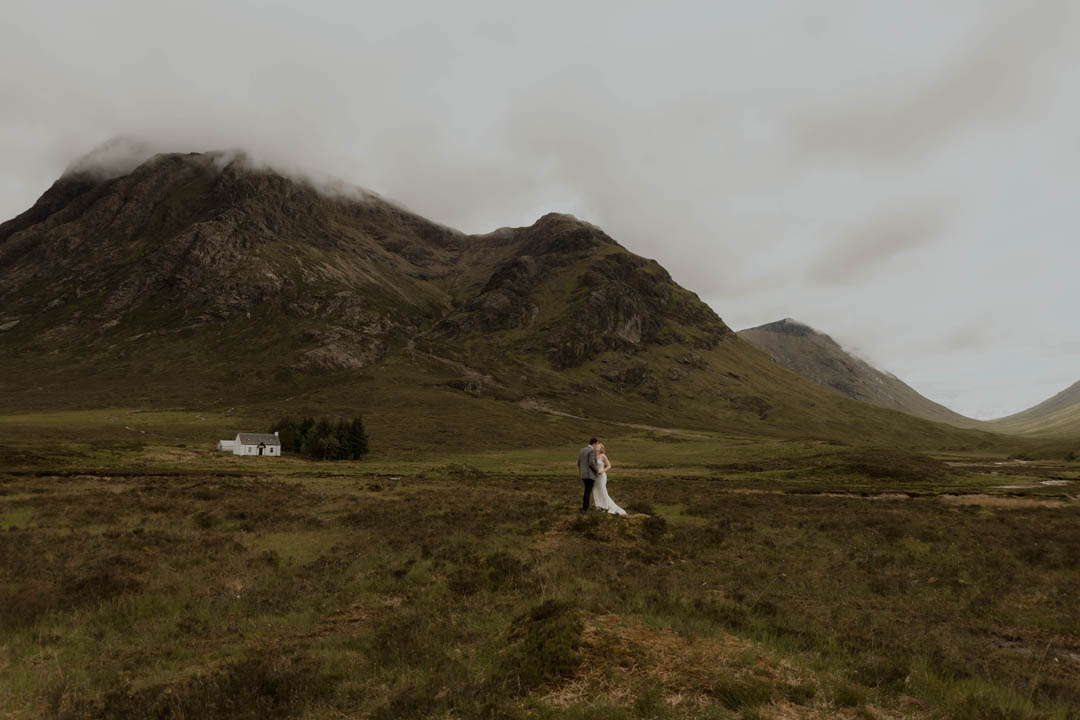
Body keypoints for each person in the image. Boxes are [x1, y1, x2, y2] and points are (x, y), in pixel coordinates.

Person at [591, 443, 627, 515]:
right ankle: (598, 506)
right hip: (595, 477)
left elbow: (609, 465)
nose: (596, 446)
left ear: (601, 449)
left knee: (602, 490)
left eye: (598, 446)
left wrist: (603, 471)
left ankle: (605, 506)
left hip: (602, 476)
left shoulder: (603, 456)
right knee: (595, 490)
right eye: (596, 445)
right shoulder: (593, 456)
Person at [577, 438, 601, 513]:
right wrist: (597, 471)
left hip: (583, 474)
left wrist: (582, 471)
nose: (597, 445)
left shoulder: (582, 450)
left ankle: (584, 507)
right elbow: (591, 463)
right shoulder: (591, 451)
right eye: (597, 444)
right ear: (593, 444)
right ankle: (585, 509)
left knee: (586, 491)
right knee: (588, 491)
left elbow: (578, 463)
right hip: (590, 475)